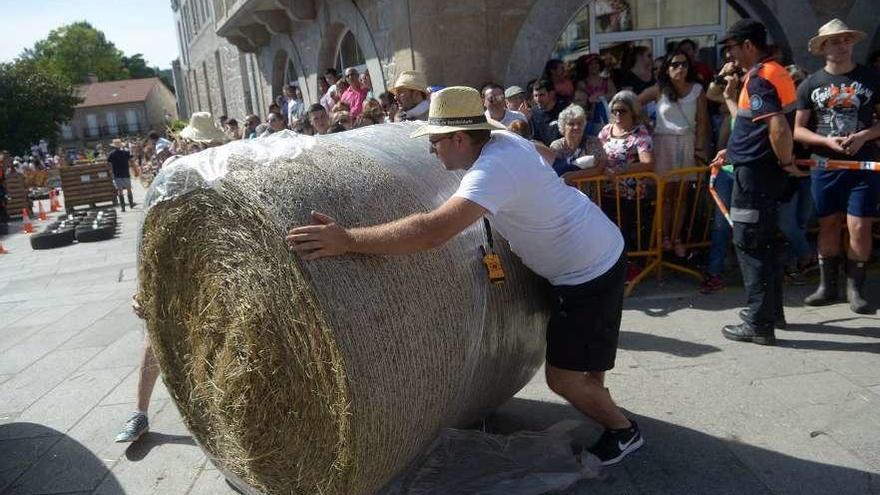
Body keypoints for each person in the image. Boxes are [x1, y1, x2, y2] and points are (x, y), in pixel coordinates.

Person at [286, 86, 643, 466]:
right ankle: (599, 404)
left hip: (588, 271)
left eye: (435, 142)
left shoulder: (493, 169)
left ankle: (624, 432)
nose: (430, 151)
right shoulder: (504, 141)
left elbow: (431, 232)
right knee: (587, 357)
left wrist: (348, 240)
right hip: (591, 251)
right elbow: (546, 152)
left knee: (562, 378)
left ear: (460, 138)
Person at [719, 19, 804, 345]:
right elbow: (751, 127)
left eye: (732, 48)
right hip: (763, 174)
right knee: (766, 244)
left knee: (750, 244)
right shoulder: (775, 71)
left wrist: (786, 162)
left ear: (748, 46)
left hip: (754, 178)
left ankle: (758, 323)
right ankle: (772, 312)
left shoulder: (759, 79)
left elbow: (778, 128)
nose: (731, 55)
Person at [794, 19, 880, 314]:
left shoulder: (872, 78)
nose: (841, 45)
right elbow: (798, 130)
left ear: (852, 43)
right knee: (828, 223)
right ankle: (827, 286)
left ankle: (855, 288)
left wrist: (864, 135)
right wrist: (825, 142)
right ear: (822, 48)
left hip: (864, 162)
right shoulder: (810, 84)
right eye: (834, 41)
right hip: (826, 163)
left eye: (845, 40)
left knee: (859, 225)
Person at [639, 49, 709, 258]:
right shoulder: (659, 89)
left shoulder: (697, 90)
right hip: (663, 143)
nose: (680, 68)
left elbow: (703, 123)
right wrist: (645, 125)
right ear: (667, 69)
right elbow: (633, 103)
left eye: (684, 64)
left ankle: (676, 236)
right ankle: (664, 238)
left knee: (682, 196)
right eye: (675, 64)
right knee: (665, 195)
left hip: (687, 143)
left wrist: (699, 150)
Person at [597, 91, 655, 255]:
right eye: (614, 111)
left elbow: (648, 163)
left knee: (626, 231)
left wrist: (622, 169)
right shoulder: (606, 131)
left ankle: (632, 265)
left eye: (622, 110)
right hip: (606, 191)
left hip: (630, 194)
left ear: (633, 112)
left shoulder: (640, 133)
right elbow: (597, 155)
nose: (617, 114)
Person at [549, 104, 606, 184]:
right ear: (563, 127)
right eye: (571, 124)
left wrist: (572, 175)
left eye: (579, 123)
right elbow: (557, 171)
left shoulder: (593, 142)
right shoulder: (557, 146)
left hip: (589, 193)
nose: (576, 127)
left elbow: (600, 167)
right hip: (566, 193)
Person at [530, 79, 566, 146]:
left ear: (551, 94)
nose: (538, 99)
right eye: (535, 96)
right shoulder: (532, 113)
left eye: (542, 95)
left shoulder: (564, 111)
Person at [107, 139, 135, 211]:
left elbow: (109, 164)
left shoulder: (111, 154)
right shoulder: (126, 153)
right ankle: (131, 204)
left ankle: (123, 207)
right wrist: (135, 169)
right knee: (129, 189)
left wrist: (110, 172)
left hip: (117, 174)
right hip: (126, 173)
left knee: (120, 191)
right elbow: (131, 160)